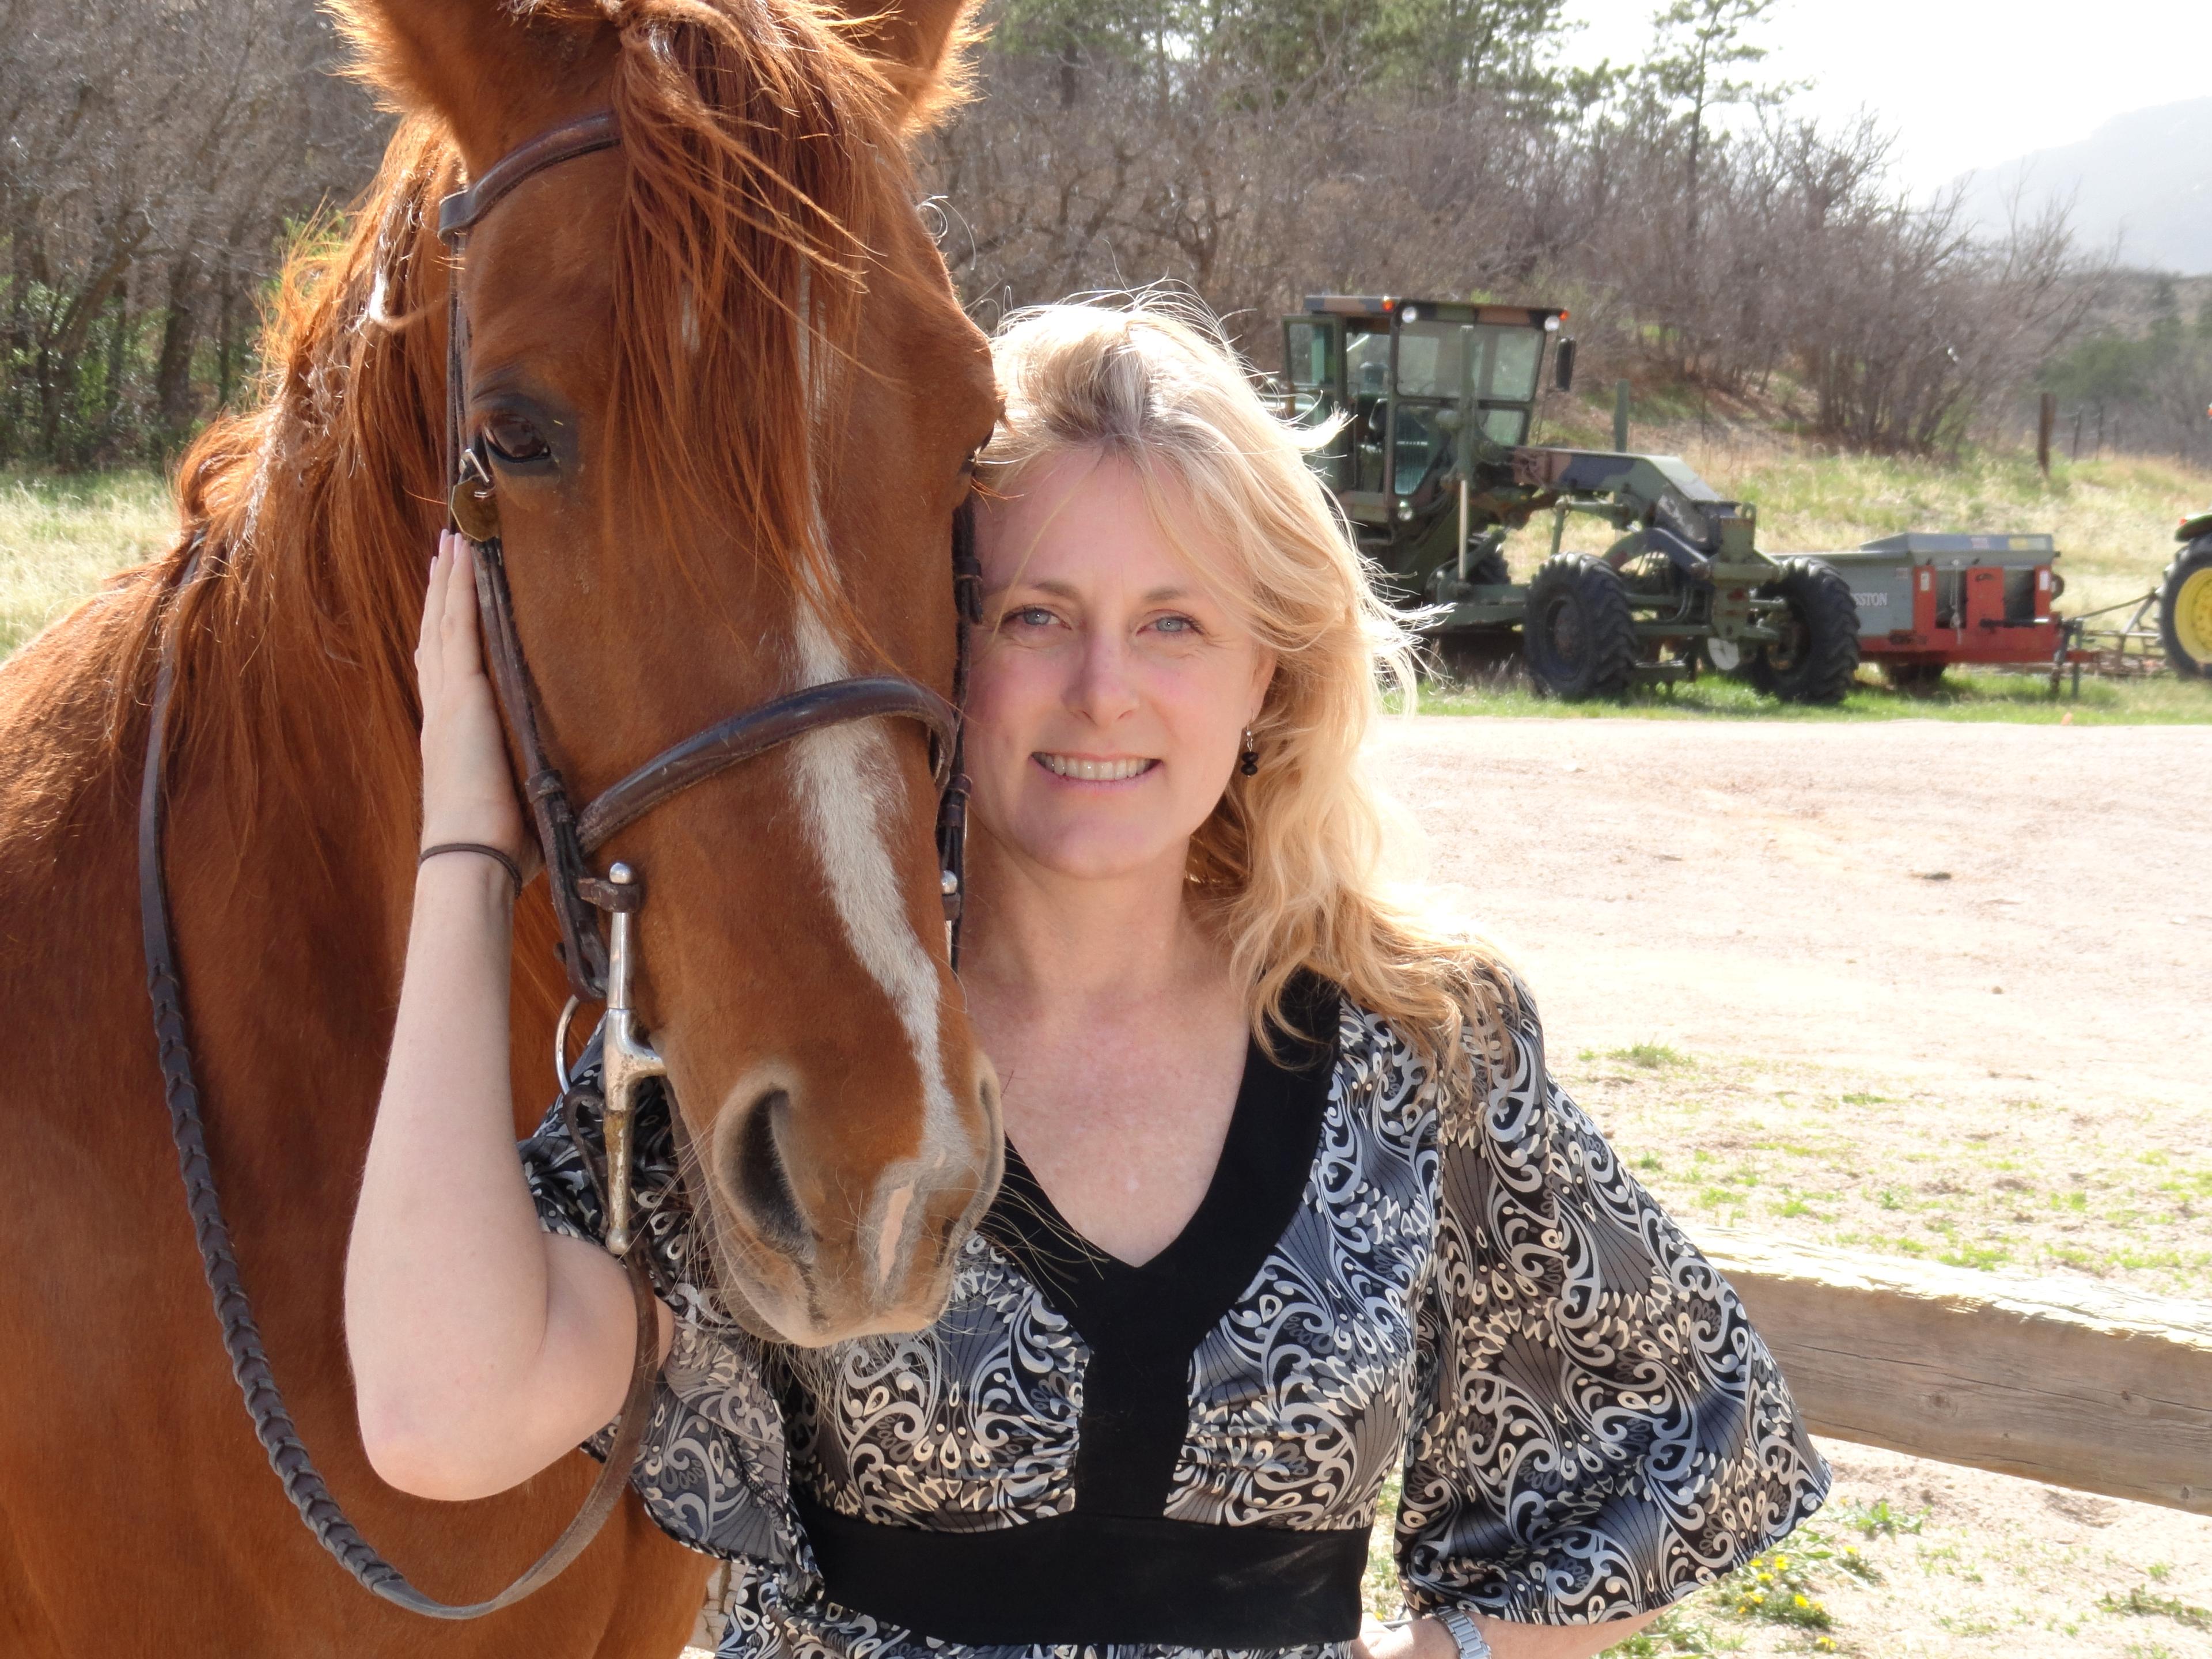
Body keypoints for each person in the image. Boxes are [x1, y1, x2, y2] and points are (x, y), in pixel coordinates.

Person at [346, 300, 1829, 1659]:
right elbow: (442, 1416)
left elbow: (1683, 1433)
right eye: (1035, 615)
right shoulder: (824, 1046)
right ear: (940, 645)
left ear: (1268, 676)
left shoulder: (1419, 1047)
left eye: (1174, 623)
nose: (1102, 690)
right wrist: (467, 853)